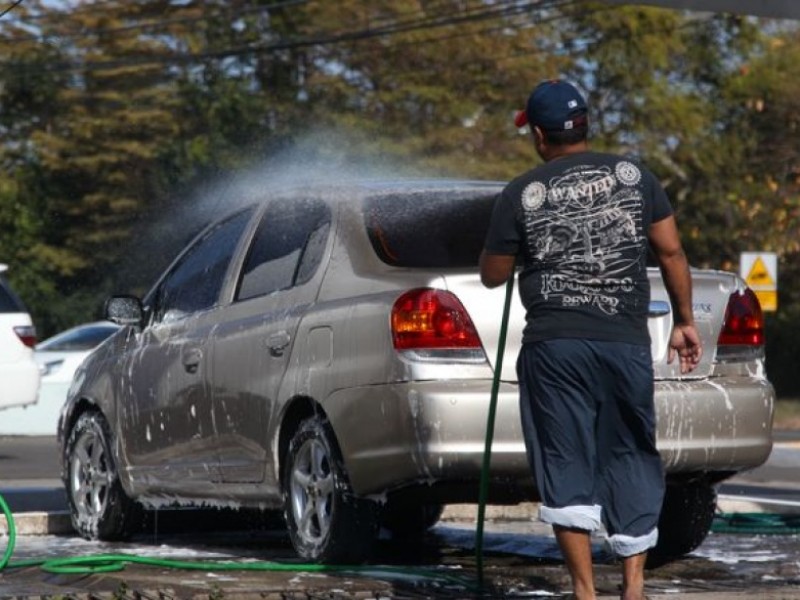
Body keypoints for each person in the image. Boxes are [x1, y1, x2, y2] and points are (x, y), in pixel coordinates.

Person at [479, 80, 703, 600]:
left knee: (565, 457)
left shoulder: (522, 192)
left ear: (538, 134)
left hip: (555, 348)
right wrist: (683, 321)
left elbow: (493, 275)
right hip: (623, 344)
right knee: (629, 451)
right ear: (584, 127)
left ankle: (584, 593)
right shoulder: (634, 176)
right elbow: (670, 253)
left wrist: (509, 244)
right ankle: (633, 584)